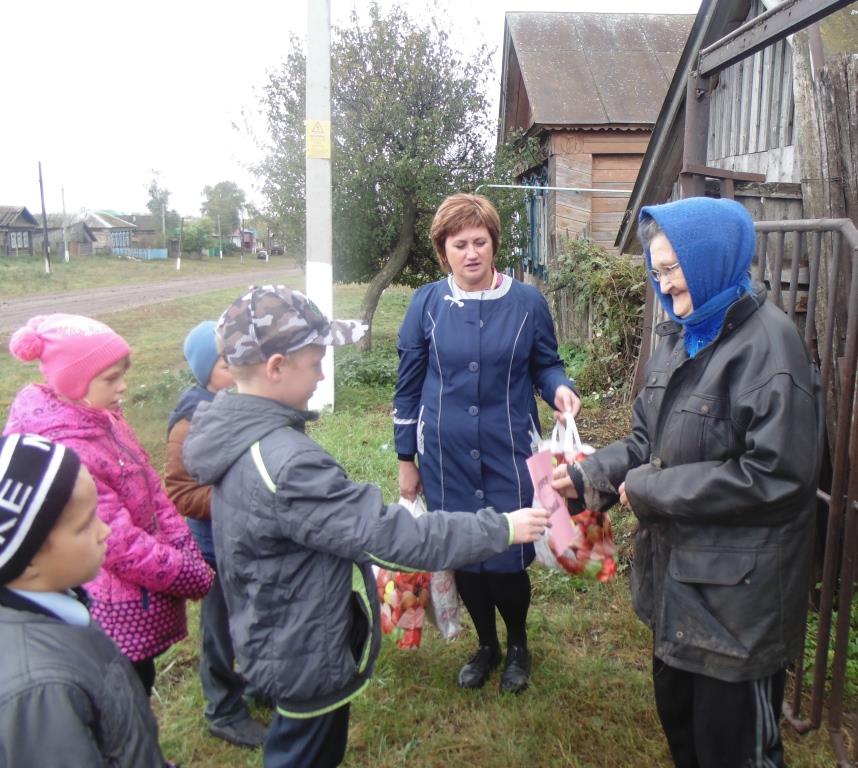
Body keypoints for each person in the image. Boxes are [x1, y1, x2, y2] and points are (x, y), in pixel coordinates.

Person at [182, 284, 552, 768]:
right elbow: (390, 535)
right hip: (305, 650)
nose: (320, 374)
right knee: (304, 752)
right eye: (315, 362)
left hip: (273, 630)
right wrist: (501, 528)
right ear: (275, 368)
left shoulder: (238, 440)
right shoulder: (288, 464)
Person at [551, 197, 822, 768]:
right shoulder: (681, 335)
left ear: (710, 259)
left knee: (737, 753)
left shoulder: (772, 351)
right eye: (657, 268)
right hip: (678, 591)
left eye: (673, 268)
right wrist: (586, 477)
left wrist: (651, 491)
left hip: (736, 610)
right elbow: (647, 442)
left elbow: (777, 479)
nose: (663, 283)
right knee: (686, 738)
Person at [393, 192, 581, 694]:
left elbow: (546, 363)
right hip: (445, 459)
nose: (471, 253)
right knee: (466, 557)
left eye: (480, 242)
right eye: (460, 244)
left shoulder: (526, 303)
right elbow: (407, 387)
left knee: (506, 557)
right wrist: (405, 459)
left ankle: (517, 642)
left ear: (494, 244)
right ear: (443, 250)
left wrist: (559, 387)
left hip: (509, 453)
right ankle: (485, 644)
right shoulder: (426, 305)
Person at [5, 313, 214, 697]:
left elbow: (150, 483)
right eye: (110, 378)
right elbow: (117, 543)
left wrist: (182, 543)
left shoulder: (103, 418)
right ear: (73, 381)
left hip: (142, 585)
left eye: (122, 374)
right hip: (112, 599)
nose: (123, 387)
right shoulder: (71, 450)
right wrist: (184, 571)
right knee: (123, 688)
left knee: (139, 683)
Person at [0, 433, 168, 767]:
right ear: (28, 558)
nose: (105, 531)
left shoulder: (60, 601)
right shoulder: (40, 691)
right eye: (85, 523)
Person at [166, 320, 267, 749]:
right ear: (205, 370)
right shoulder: (193, 418)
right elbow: (181, 491)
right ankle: (223, 708)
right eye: (229, 362)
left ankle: (255, 682)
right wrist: (239, 499)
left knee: (253, 616)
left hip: (249, 542)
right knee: (219, 629)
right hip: (214, 549)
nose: (240, 368)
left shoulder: (241, 405)